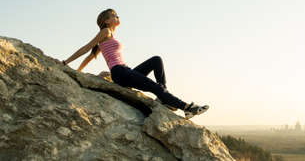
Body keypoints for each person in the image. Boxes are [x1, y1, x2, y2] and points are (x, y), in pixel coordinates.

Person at [61, 8, 209, 119]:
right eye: (114, 15)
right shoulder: (105, 32)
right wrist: (67, 63)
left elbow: (91, 55)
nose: (117, 16)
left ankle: (164, 97)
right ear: (106, 21)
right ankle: (187, 107)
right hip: (120, 72)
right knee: (154, 86)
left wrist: (78, 71)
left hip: (124, 71)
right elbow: (87, 48)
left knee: (156, 60)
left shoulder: (109, 36)